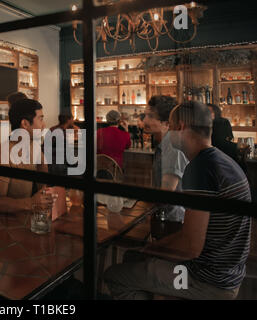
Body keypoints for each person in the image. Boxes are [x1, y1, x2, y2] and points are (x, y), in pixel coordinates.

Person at [104, 101, 252, 300]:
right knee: (135, 257)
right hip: (228, 273)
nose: (167, 131)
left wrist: (152, 249)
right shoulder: (222, 161)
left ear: (181, 127)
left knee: (116, 275)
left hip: (204, 280)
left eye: (170, 126)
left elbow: (190, 246)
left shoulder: (200, 169)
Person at [0, 99, 54, 216]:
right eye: (40, 119)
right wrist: (31, 202)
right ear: (25, 124)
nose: (44, 125)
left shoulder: (34, 147)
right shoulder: (2, 153)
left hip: (22, 220)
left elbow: (44, 185)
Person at [144, 95, 189, 223]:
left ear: (167, 124)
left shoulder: (173, 148)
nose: (145, 121)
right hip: (165, 216)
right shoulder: (163, 144)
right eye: (145, 115)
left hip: (173, 221)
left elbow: (165, 194)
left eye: (151, 116)